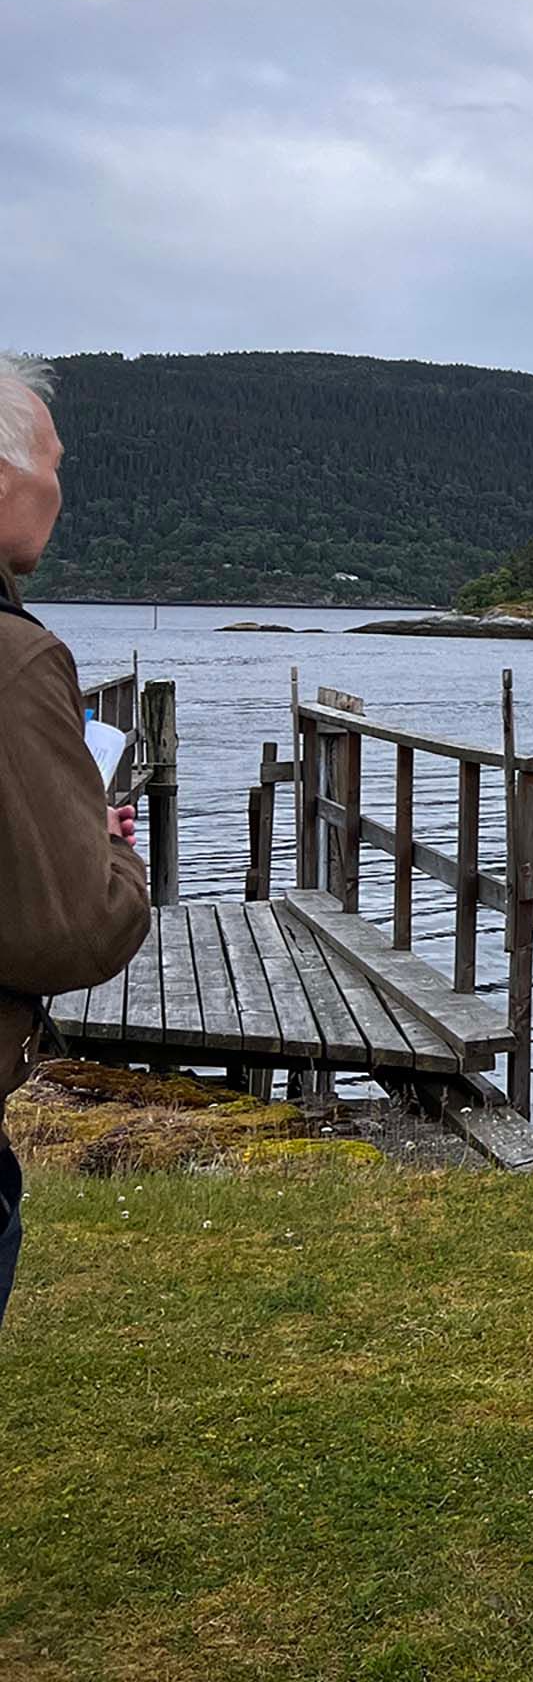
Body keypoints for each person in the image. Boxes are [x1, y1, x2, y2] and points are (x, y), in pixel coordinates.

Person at [0, 353, 152, 1326]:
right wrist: (107, 846)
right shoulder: (18, 660)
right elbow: (76, 925)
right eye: (54, 461)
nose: (61, 484)